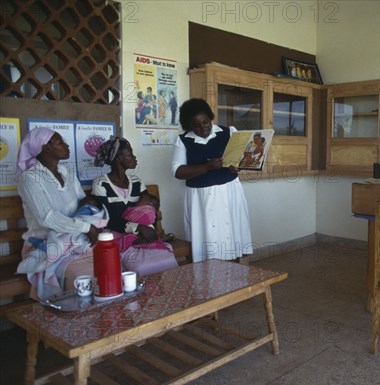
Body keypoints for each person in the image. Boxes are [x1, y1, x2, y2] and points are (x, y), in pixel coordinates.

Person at [15, 127, 101, 299]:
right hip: (45, 245)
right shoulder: (30, 179)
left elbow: (83, 206)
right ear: (45, 148)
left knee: (110, 263)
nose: (66, 145)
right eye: (60, 142)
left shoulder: (67, 173)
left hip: (76, 240)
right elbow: (47, 217)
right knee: (83, 275)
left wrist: (91, 217)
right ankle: (74, 320)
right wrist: (86, 227)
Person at [171, 98, 252, 263]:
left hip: (229, 192)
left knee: (231, 236)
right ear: (188, 126)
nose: (202, 128)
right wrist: (205, 167)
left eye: (205, 122)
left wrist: (236, 167)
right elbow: (177, 171)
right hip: (200, 199)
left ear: (210, 117)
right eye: (196, 125)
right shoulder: (183, 140)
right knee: (207, 240)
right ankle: (208, 281)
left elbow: (241, 161)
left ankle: (235, 280)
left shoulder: (229, 132)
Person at [92, 136, 178, 276]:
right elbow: (108, 219)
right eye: (130, 153)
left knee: (166, 258)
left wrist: (149, 229)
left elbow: (151, 210)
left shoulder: (136, 182)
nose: (134, 157)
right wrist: (137, 228)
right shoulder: (101, 183)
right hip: (116, 236)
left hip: (143, 233)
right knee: (141, 265)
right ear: (119, 158)